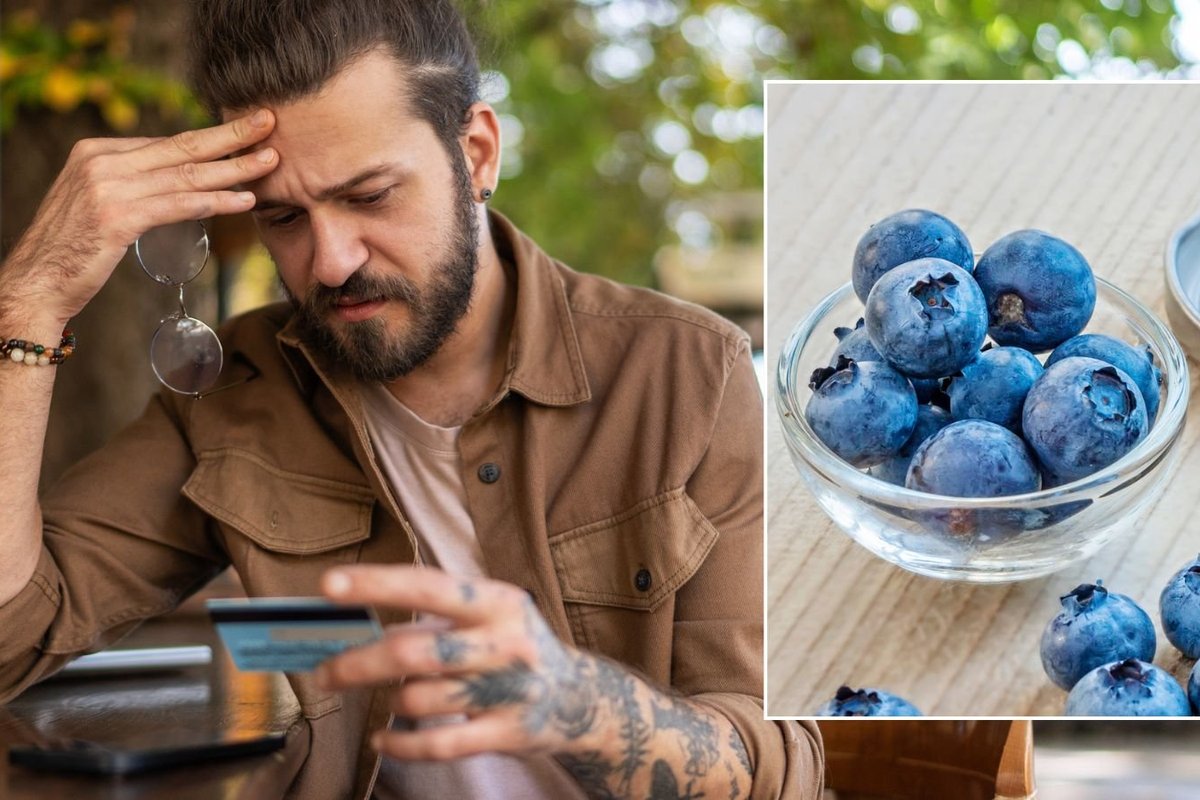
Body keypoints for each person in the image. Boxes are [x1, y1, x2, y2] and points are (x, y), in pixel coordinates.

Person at [0, 1, 822, 798]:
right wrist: (29, 303)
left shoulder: (688, 372)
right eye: (284, 216)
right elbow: (13, 638)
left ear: (476, 153)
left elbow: (786, 764)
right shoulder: (235, 391)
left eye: (369, 196)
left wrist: (573, 702)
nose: (329, 261)